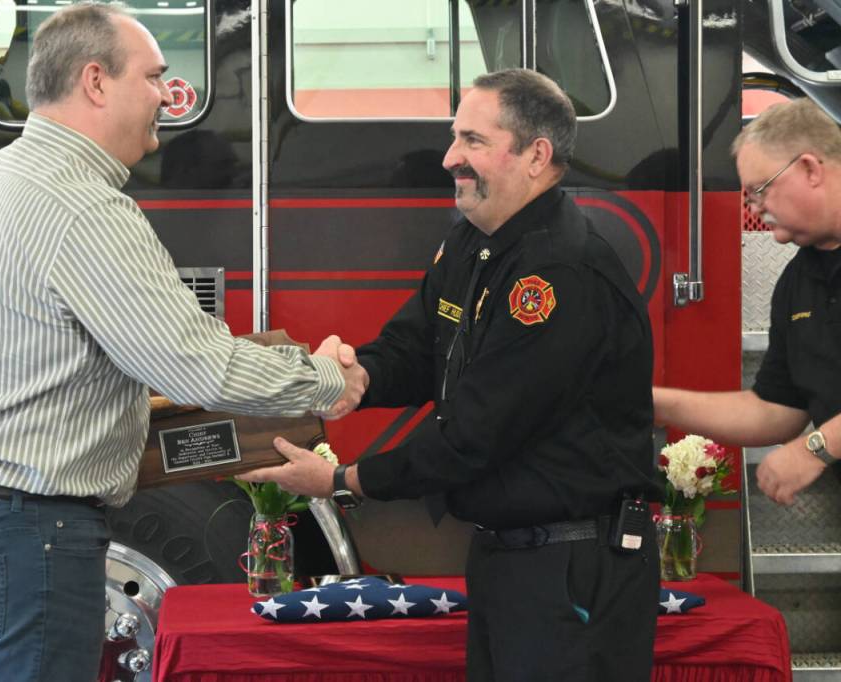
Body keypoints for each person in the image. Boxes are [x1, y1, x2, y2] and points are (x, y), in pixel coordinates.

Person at [0, 5, 367, 682]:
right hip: (26, 521)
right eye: (153, 77)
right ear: (96, 81)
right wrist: (326, 378)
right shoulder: (82, 206)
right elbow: (197, 367)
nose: (167, 96)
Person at [242, 69, 660, 681]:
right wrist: (351, 379)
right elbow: (415, 350)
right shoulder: (472, 244)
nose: (449, 158)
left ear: (537, 156)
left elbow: (477, 430)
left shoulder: (557, 275)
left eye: (472, 141)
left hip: (573, 565)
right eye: (454, 138)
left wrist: (343, 479)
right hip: (510, 559)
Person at [653, 98, 841, 506]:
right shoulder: (799, 281)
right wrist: (649, 402)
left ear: (810, 168)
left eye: (760, 190)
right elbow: (776, 410)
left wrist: (818, 446)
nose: (754, 208)